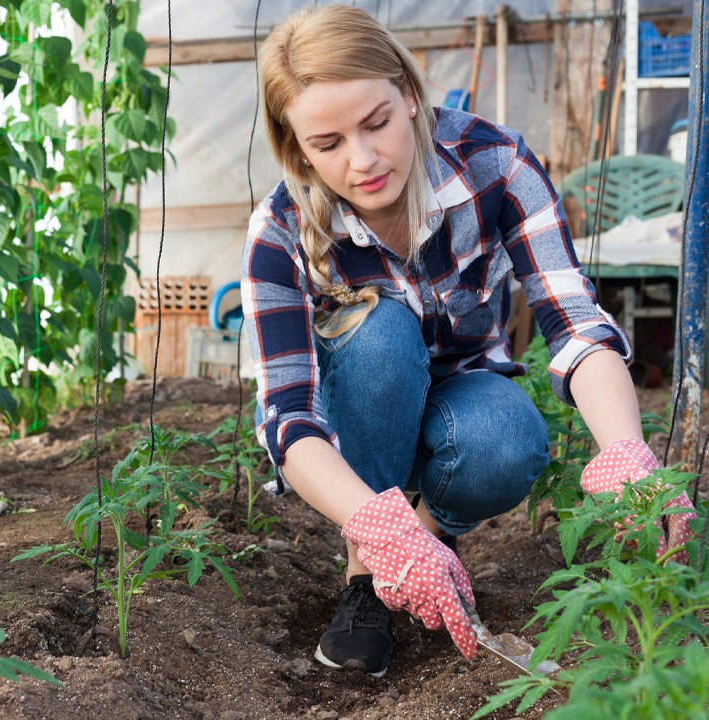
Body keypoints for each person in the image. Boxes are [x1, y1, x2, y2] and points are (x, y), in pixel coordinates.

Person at [240, 4, 696, 678]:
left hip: (459, 394)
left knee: (507, 440)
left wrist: (625, 448)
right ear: (296, 146)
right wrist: (377, 528)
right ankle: (368, 575)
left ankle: (432, 538)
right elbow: (288, 418)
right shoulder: (278, 233)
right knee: (380, 333)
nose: (362, 160)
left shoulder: (495, 164)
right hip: (358, 412)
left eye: (377, 123)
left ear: (411, 95)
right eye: (328, 143)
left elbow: (573, 321)